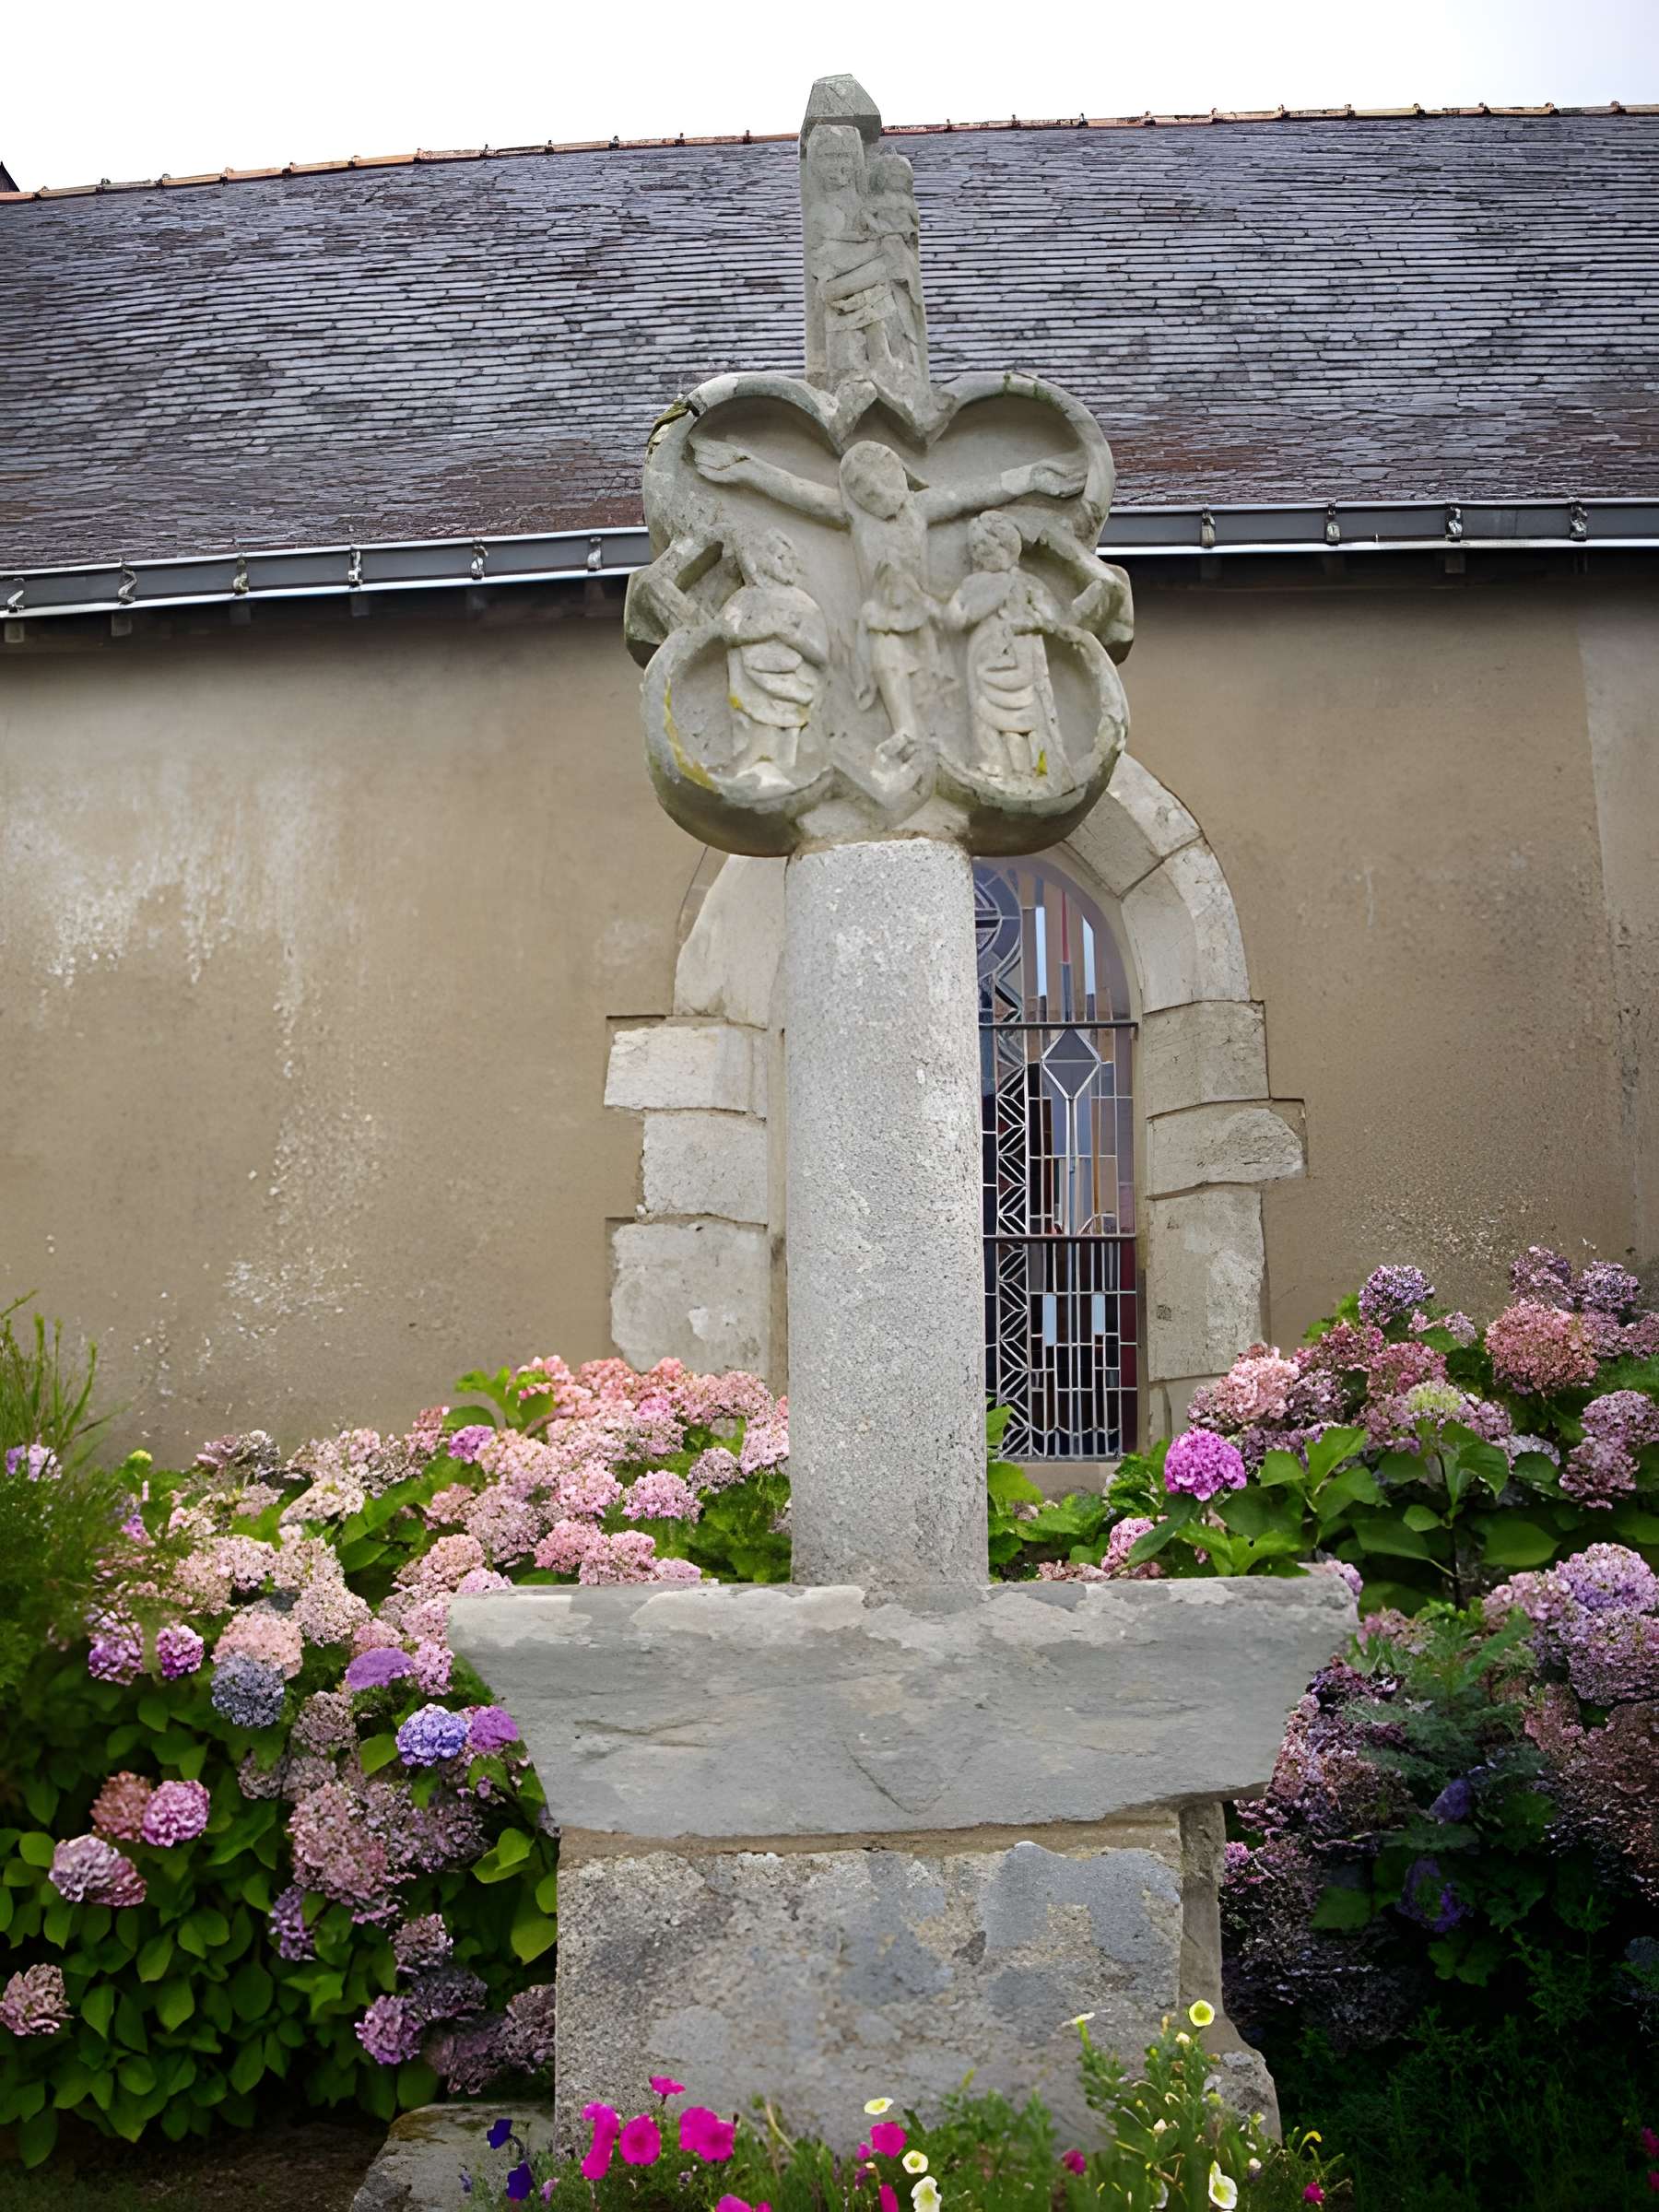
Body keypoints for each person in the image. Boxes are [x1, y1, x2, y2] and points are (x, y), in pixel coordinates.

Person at [690, 434, 1083, 756]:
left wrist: (1033, 477)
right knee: (886, 659)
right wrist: (746, 468)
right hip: (880, 616)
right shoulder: (855, 516)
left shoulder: (921, 508)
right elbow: (797, 492)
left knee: (925, 674)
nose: (874, 492)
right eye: (862, 488)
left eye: (881, 480)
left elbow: (974, 493)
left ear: (898, 476)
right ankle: (905, 730)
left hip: (923, 612)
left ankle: (930, 734)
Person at [945, 512, 1065, 782]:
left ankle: (1034, 768)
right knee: (982, 709)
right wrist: (972, 610)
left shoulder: (1025, 582)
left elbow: (1053, 617)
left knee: (1026, 713)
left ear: (1006, 545)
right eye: (975, 548)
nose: (979, 553)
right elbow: (952, 618)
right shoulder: (972, 584)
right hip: (983, 658)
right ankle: (991, 764)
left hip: (1022, 657)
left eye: (985, 546)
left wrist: (1029, 621)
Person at [716, 532, 830, 792]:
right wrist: (767, 630)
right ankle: (756, 768)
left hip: (794, 684)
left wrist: (792, 637)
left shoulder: (804, 604)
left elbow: (821, 655)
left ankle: (786, 772)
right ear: (762, 559)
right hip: (752, 680)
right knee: (757, 727)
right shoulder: (745, 599)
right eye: (781, 556)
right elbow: (725, 633)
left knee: (788, 730)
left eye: (792, 558)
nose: (789, 563)